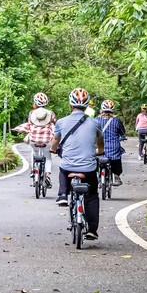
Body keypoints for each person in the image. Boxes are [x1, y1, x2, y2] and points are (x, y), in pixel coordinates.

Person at [51, 87, 104, 240]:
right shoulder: (95, 123)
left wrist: (53, 149)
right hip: (88, 169)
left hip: (68, 167)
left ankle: (62, 195)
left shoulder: (61, 122)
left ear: (70, 105)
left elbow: (55, 142)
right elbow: (100, 144)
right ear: (87, 106)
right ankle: (92, 230)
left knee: (63, 168)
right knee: (92, 196)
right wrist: (99, 151)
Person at [20, 92, 57, 188]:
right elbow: (55, 124)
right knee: (48, 157)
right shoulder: (51, 113)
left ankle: (33, 170)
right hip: (47, 140)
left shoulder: (32, 113)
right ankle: (47, 175)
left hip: (34, 139)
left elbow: (29, 125)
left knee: (34, 152)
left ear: (35, 104)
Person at [97, 99, 126, 186]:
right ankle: (116, 175)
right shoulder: (116, 121)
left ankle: (96, 176)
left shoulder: (96, 120)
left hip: (99, 148)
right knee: (118, 155)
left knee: (95, 159)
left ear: (101, 109)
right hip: (113, 149)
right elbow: (122, 132)